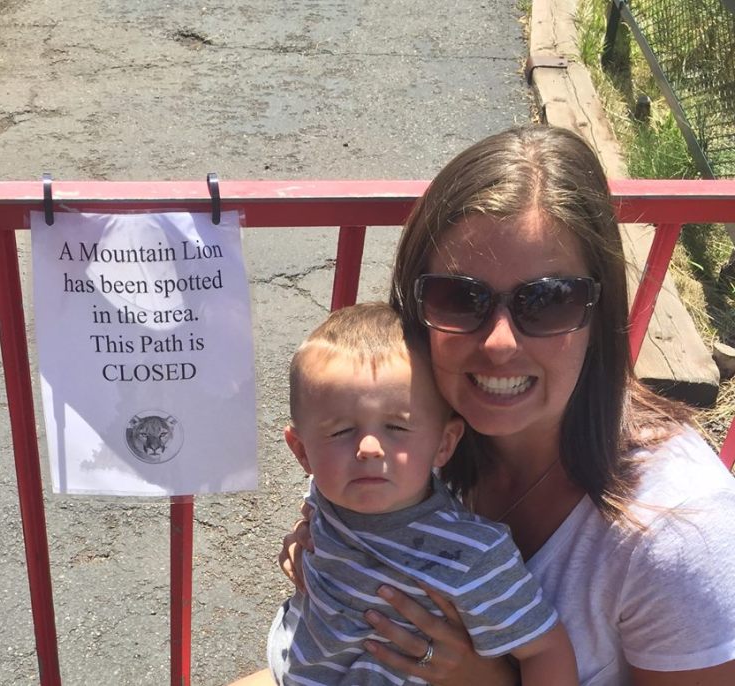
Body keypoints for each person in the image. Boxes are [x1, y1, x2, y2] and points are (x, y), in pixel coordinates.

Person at [231, 124, 735, 686]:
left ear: (600, 311)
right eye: (460, 296)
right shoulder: (418, 420)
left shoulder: (679, 532)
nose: (499, 343)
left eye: (547, 300)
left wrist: (487, 680)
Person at [267, 302, 578, 685]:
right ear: (302, 451)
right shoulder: (326, 498)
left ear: (444, 443)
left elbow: (545, 648)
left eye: (397, 427)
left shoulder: (472, 554)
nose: (368, 448)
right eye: (340, 431)